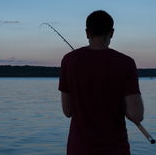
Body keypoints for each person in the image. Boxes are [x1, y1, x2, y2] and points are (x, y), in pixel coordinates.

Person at [58, 10, 144, 155]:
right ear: (111, 32)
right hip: (115, 149)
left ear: (87, 33)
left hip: (79, 148)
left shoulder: (69, 60)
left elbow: (67, 111)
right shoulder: (126, 63)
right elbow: (136, 115)